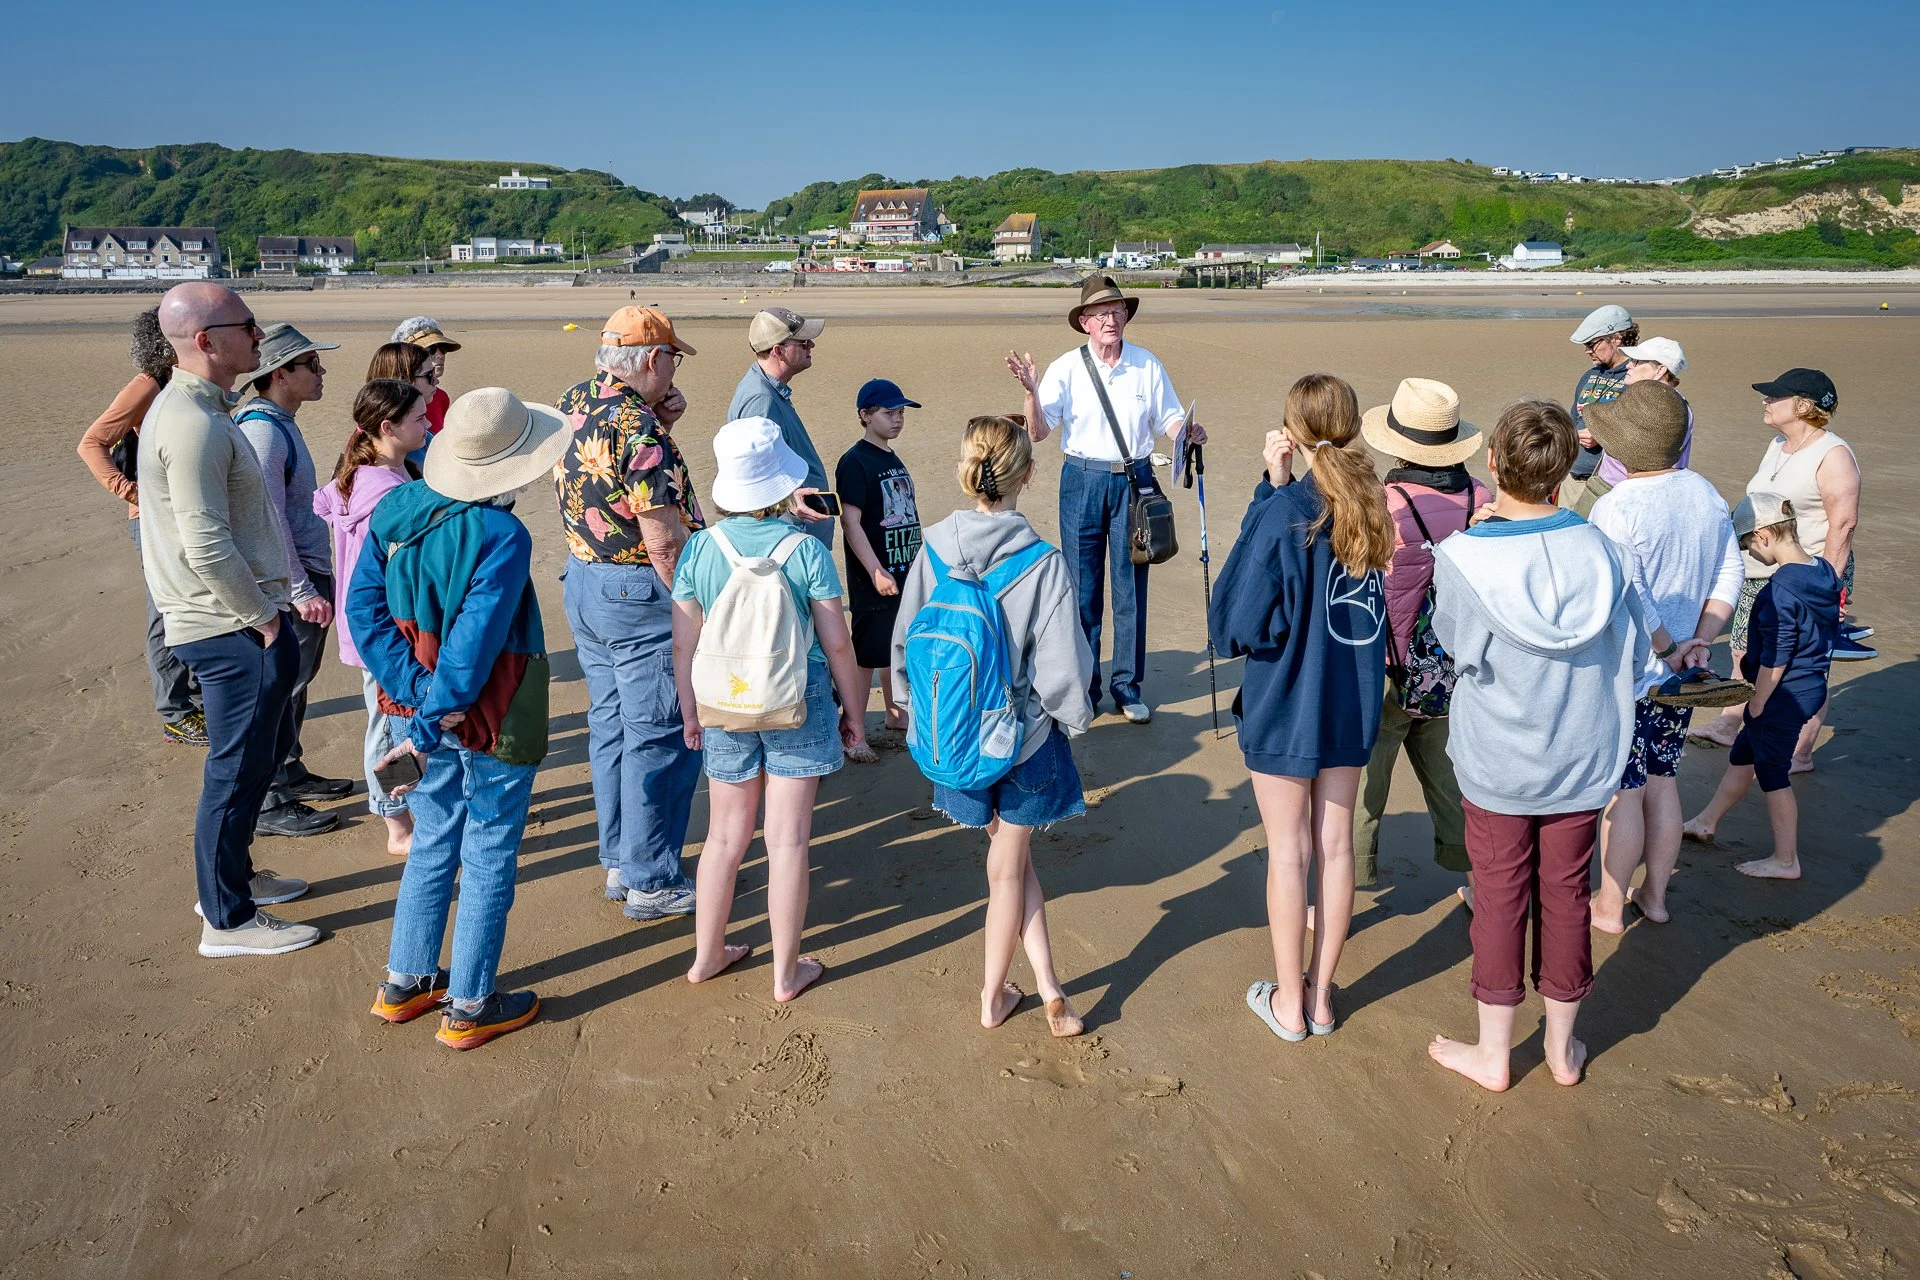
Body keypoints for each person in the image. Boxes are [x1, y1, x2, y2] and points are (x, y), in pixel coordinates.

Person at [1425, 399, 1647, 1091]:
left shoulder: (1461, 556)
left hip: (1499, 759)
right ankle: (1559, 1048)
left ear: (1494, 463)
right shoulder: (1607, 551)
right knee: (1565, 895)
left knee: (1498, 897)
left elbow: (1456, 648)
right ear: (1563, 470)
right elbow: (1632, 652)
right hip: (1582, 755)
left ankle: (1496, 1056)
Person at [348, 386, 567, 1049]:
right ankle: (471, 1003)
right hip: (489, 713)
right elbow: (471, 655)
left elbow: (365, 612)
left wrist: (415, 695)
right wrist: (432, 712)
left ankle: (406, 980)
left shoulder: (400, 505)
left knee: (436, 837)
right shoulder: (501, 533)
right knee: (491, 847)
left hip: (418, 702)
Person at [889, 415, 1094, 1036]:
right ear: (1027, 476)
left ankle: (1050, 987)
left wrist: (908, 706)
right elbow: (1063, 671)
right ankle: (991, 996)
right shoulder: (1044, 563)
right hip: (1024, 740)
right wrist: (1077, 721)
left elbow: (907, 640)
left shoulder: (934, 546)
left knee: (1014, 865)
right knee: (1009, 869)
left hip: (953, 733)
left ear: (963, 470)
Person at [1211, 374, 1392, 1042]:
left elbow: (1231, 621)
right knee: (1335, 849)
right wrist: (1276, 482)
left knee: (1290, 854)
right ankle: (1318, 1000)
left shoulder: (1289, 511)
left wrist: (1273, 487)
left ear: (1293, 431)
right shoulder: (1370, 502)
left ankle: (1293, 1002)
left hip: (1287, 703)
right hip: (1350, 702)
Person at [139, 283, 317, 959]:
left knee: (252, 763)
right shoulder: (189, 422)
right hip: (226, 625)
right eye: (248, 323)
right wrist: (263, 620)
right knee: (236, 769)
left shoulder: (205, 410)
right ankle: (227, 919)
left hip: (236, 620)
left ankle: (233, 880)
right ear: (207, 340)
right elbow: (205, 544)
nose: (259, 333)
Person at [671, 417, 869, 1002]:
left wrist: (690, 709)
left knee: (724, 839)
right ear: (782, 485)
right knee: (787, 841)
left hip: (723, 699)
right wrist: (854, 713)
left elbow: (684, 640)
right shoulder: (805, 550)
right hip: (795, 698)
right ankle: (786, 973)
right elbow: (838, 643)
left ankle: (708, 955)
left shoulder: (700, 548)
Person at [555, 307, 705, 922]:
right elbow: (663, 540)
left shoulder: (578, 398)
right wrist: (693, 612)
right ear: (649, 359)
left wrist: (661, 419)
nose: (673, 370)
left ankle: (621, 857)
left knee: (612, 724)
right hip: (636, 591)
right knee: (660, 732)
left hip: (584, 580)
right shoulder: (638, 431)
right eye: (670, 358)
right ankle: (649, 877)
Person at [1004, 275, 1203, 724]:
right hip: (1082, 479)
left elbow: (1169, 419)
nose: (1111, 319)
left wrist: (1185, 434)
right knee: (1081, 590)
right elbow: (1037, 432)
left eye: (1117, 311)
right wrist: (1031, 391)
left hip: (1135, 480)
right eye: (1101, 313)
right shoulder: (1065, 367)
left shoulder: (1146, 364)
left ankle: (1127, 686)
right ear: (1085, 323)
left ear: (1125, 316)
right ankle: (1085, 688)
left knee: (1131, 588)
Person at [1582, 381, 1742, 931]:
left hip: (1632, 673)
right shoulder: (1705, 492)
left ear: (1623, 446)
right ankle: (1654, 897)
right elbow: (1730, 574)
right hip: (1682, 671)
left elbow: (1632, 591)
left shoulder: (1615, 506)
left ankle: (1608, 903)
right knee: (1664, 779)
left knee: (1625, 791)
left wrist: (1671, 647)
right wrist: (1700, 640)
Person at [1351, 377, 1485, 903]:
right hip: (1454, 667)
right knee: (1453, 783)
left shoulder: (1386, 505)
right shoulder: (1483, 499)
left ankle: (1343, 885)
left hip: (1387, 665)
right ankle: (1477, 881)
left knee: (1365, 784)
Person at [1690, 369, 1866, 764]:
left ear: (1803, 406)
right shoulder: (1777, 444)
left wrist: (1828, 585)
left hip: (1810, 573)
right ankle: (1727, 723)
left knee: (1805, 664)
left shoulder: (1832, 454)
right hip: (1760, 568)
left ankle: (1799, 752)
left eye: (1775, 397)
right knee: (1742, 651)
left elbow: (1844, 522)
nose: (1766, 401)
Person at [1682, 495, 1839, 881]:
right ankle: (1705, 821)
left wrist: (1757, 702)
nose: (1750, 551)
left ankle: (1786, 860)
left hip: (1782, 694)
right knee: (1744, 754)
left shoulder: (1779, 591)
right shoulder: (1823, 572)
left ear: (1766, 534)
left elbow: (1777, 657)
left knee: (1772, 775)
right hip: (1811, 684)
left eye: (1749, 543)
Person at [235, 323, 352, 839]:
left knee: (295, 684)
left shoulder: (280, 421)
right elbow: (267, 517)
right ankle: (269, 800)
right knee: (280, 688)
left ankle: (288, 768)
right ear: (280, 374)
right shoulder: (263, 429)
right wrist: (301, 589)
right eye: (311, 365)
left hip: (300, 574)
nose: (321, 372)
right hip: (287, 586)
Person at [76, 307, 205, 745]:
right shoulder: (149, 385)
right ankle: (175, 710)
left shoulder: (186, 385)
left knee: (195, 604)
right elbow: (92, 442)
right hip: (151, 519)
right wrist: (130, 491)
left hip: (183, 513)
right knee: (165, 611)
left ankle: (199, 698)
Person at [313, 379, 428, 858]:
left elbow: (321, 504)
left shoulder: (356, 475)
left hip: (368, 627)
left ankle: (402, 809)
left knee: (390, 721)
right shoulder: (383, 491)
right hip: (380, 631)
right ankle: (396, 824)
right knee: (384, 728)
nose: (428, 424)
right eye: (420, 418)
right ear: (387, 427)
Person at [835, 378, 923, 757]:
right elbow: (850, 522)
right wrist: (874, 570)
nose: (898, 419)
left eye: (901, 412)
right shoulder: (855, 461)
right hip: (875, 576)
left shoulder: (890, 457)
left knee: (896, 644)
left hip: (904, 567)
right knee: (866, 655)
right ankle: (853, 733)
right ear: (865, 416)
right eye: (889, 413)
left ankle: (895, 713)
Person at [728, 307, 837, 544]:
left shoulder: (770, 391)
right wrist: (789, 503)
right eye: (803, 342)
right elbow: (755, 475)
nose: (811, 346)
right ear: (779, 351)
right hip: (786, 541)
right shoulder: (761, 399)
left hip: (795, 536)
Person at [1562, 304, 1636, 516]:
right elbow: (1571, 421)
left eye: (1592, 344)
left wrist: (1602, 436)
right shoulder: (1589, 376)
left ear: (1616, 338)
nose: (1587, 350)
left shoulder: (1636, 378)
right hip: (1571, 480)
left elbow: (1642, 436)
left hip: (1608, 487)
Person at [1595, 337, 1693, 490]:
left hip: (1628, 491)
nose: (1628, 365)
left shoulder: (1673, 409)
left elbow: (1659, 464)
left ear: (1660, 370)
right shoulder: (1641, 398)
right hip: (1612, 485)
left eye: (1636, 361)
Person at [367, 342, 441, 470]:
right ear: (404, 381)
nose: (436, 381)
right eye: (429, 375)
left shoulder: (411, 433)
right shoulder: (395, 445)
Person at [391, 316, 460, 435]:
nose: (439, 355)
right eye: (431, 349)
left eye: (443, 349)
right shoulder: (389, 401)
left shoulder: (440, 397)